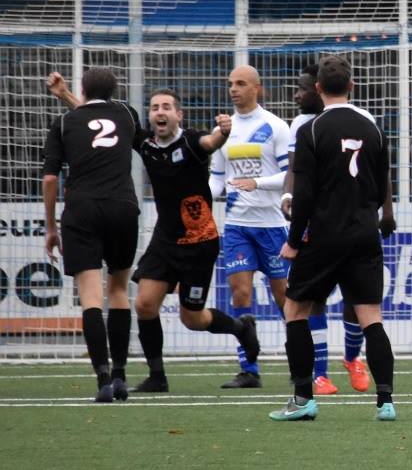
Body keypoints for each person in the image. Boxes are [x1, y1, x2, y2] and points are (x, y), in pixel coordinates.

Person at [46, 76, 262, 393]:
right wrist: (65, 95)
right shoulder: (144, 143)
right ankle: (157, 376)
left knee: (193, 318)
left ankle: (241, 328)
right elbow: (95, 123)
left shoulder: (191, 141)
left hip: (199, 241)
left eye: (166, 108)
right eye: (154, 107)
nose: (159, 112)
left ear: (179, 115)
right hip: (165, 239)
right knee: (145, 305)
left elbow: (211, 142)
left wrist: (224, 133)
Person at [269, 55, 397, 421]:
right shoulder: (372, 127)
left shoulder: (311, 130)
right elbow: (381, 180)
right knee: (371, 316)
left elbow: (304, 194)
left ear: (319, 88)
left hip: (324, 236)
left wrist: (294, 240)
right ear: (352, 87)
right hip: (363, 234)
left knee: (296, 309)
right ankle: (385, 401)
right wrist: (382, 215)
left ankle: (303, 398)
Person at [42, 67, 141, 403]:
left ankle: (102, 380)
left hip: (82, 210)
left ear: (82, 89)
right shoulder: (127, 113)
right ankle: (121, 377)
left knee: (90, 297)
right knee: (118, 291)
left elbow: (51, 180)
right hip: (123, 208)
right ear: (114, 90)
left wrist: (52, 227)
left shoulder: (64, 123)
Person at [209, 65, 292, 389]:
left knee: (284, 298)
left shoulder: (274, 127)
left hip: (272, 226)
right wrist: (200, 197)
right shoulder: (224, 131)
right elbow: (217, 179)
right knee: (240, 292)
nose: (234, 89)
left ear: (257, 87)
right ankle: (249, 368)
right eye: (230, 84)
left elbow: (289, 176)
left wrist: (255, 182)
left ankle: (300, 361)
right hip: (237, 226)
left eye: (240, 83)